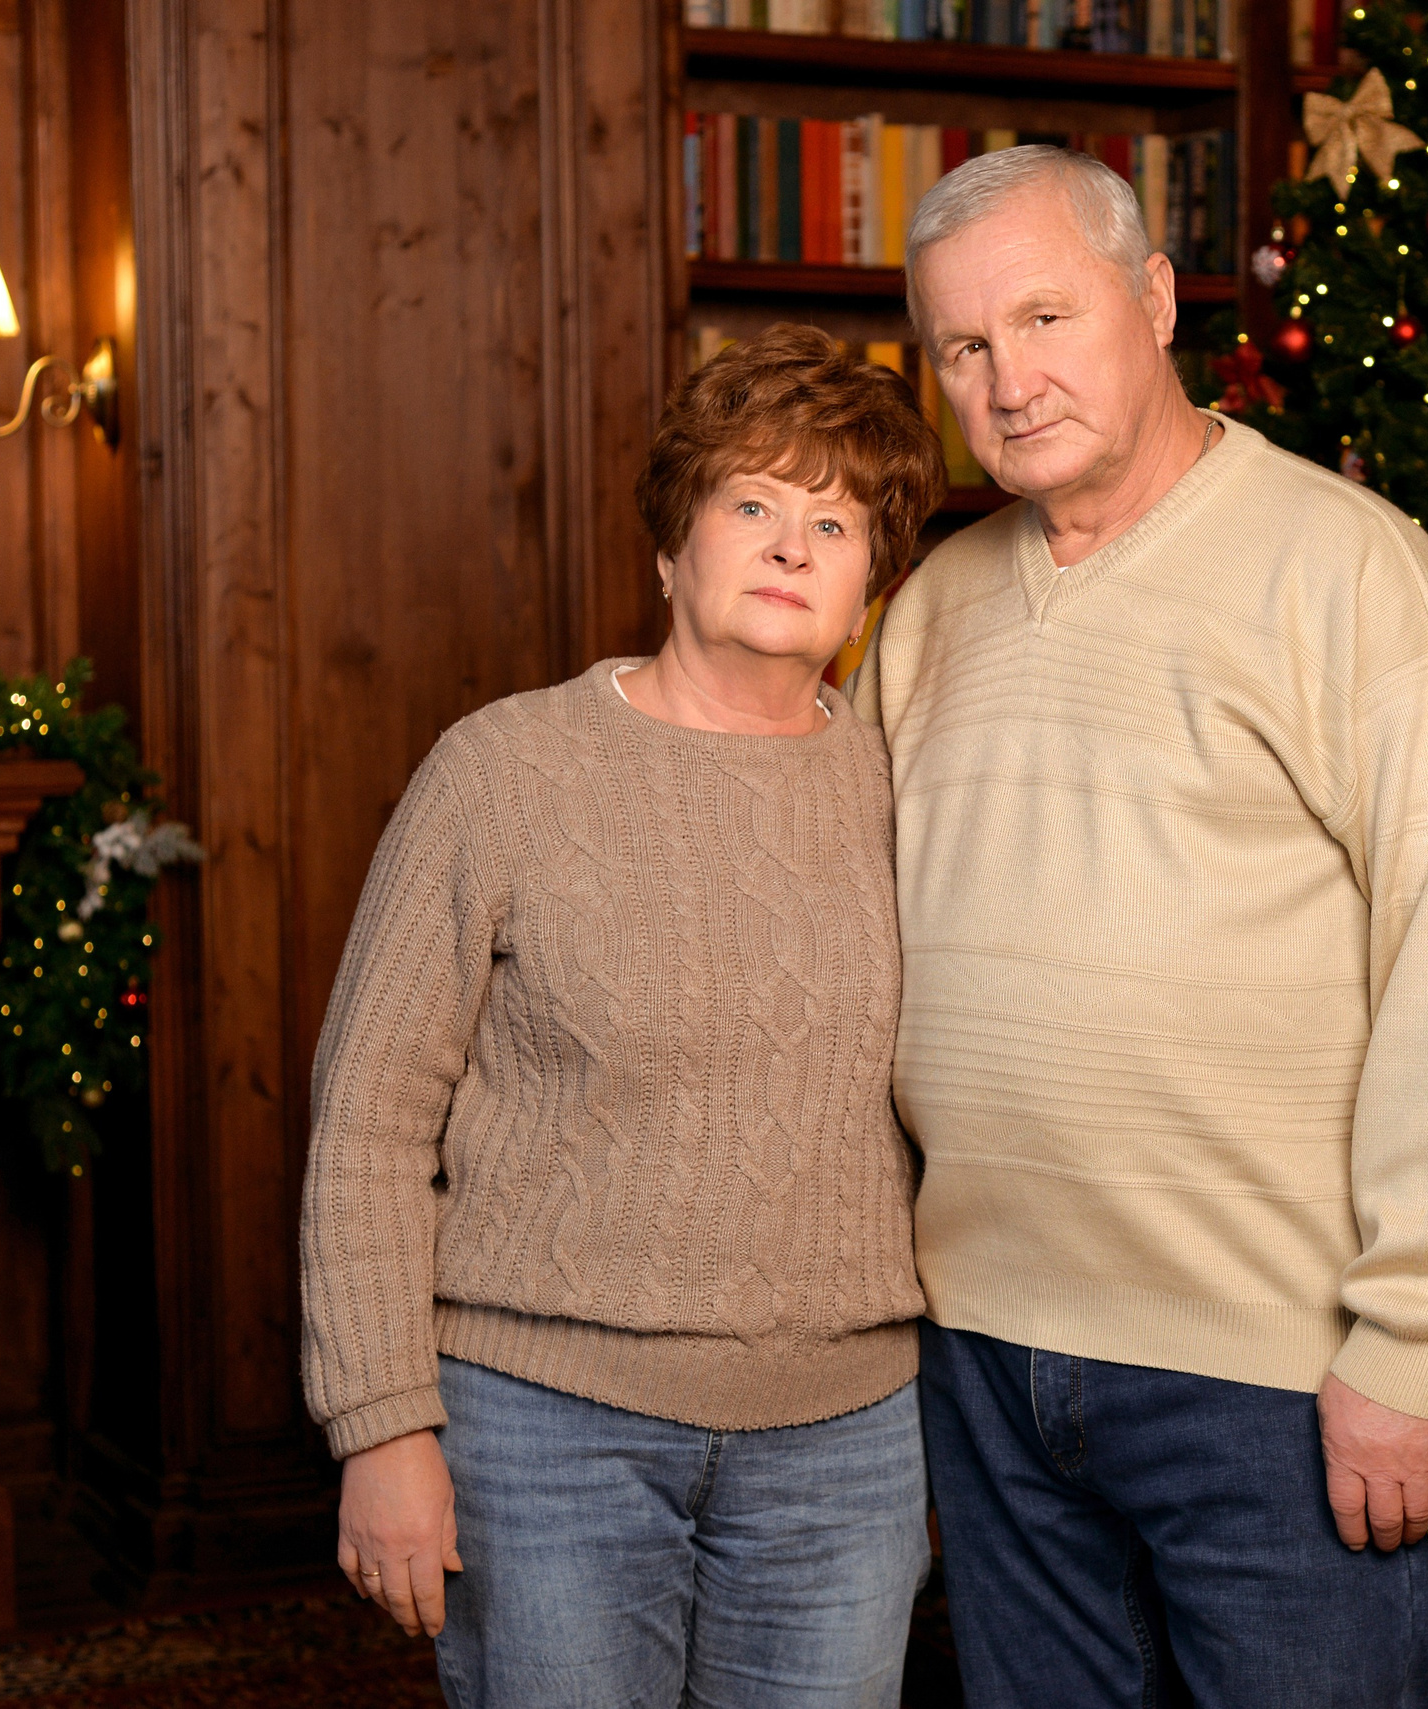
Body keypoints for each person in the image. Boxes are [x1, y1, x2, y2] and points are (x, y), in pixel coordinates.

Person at [854, 145, 1428, 1708]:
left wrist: (1413, 1345)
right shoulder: (930, 608)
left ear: (1155, 300)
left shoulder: (1351, 573)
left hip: (1270, 1370)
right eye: (964, 346)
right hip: (979, 1348)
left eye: (1045, 316)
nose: (1008, 379)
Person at [300, 322, 946, 1709]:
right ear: (672, 547)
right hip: (546, 1434)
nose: (789, 543)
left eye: (832, 520)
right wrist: (382, 1424)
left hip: (846, 1442)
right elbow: (367, 1118)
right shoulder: (502, 772)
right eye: (752, 503)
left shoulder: (914, 796)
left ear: (871, 583)